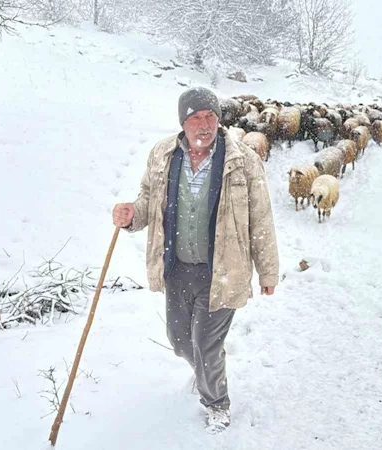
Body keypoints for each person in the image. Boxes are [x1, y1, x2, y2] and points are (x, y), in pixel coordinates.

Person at [112, 86, 279, 434]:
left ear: (218, 120)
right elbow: (147, 200)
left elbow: (261, 219)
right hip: (176, 268)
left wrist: (268, 270)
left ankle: (217, 402)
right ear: (183, 122)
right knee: (179, 341)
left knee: (205, 344)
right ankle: (206, 369)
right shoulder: (163, 154)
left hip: (222, 271)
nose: (203, 125)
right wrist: (131, 215)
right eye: (195, 118)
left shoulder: (243, 160)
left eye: (210, 117)